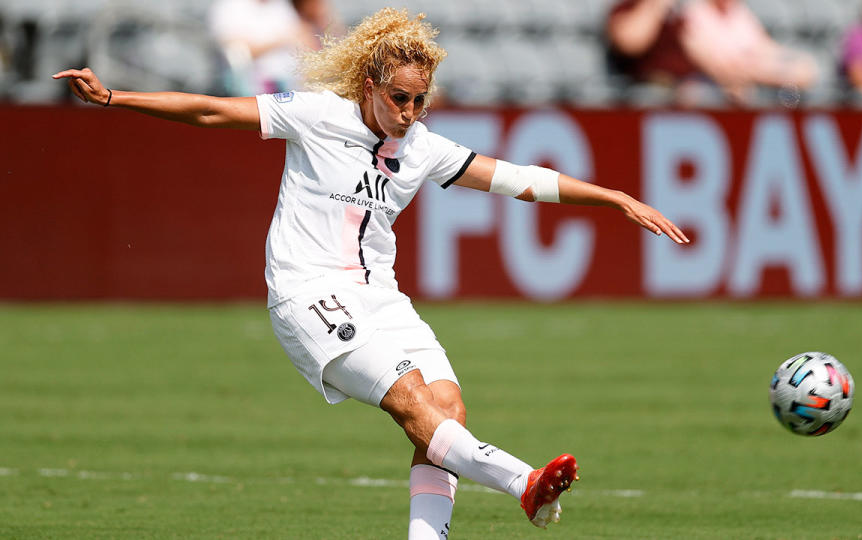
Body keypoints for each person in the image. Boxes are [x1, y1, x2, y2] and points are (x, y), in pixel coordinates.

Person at [54, 8, 689, 538]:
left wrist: (615, 198)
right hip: (307, 296)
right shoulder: (316, 116)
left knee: (447, 410)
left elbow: (521, 181)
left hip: (380, 298)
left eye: (420, 100)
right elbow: (212, 110)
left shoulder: (422, 147)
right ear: (367, 85)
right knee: (413, 404)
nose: (411, 112)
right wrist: (115, 97)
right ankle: (524, 483)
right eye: (399, 98)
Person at [679, 0, 818, 106]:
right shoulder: (693, 12)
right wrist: (764, 73)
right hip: (712, 89)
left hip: (752, 83)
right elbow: (717, 68)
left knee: (802, 71)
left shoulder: (739, 12)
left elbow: (767, 49)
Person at [208, 0, 304, 95]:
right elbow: (241, 52)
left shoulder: (281, 4)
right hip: (251, 87)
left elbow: (301, 36)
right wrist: (281, 39)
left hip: (289, 83)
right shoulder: (229, 6)